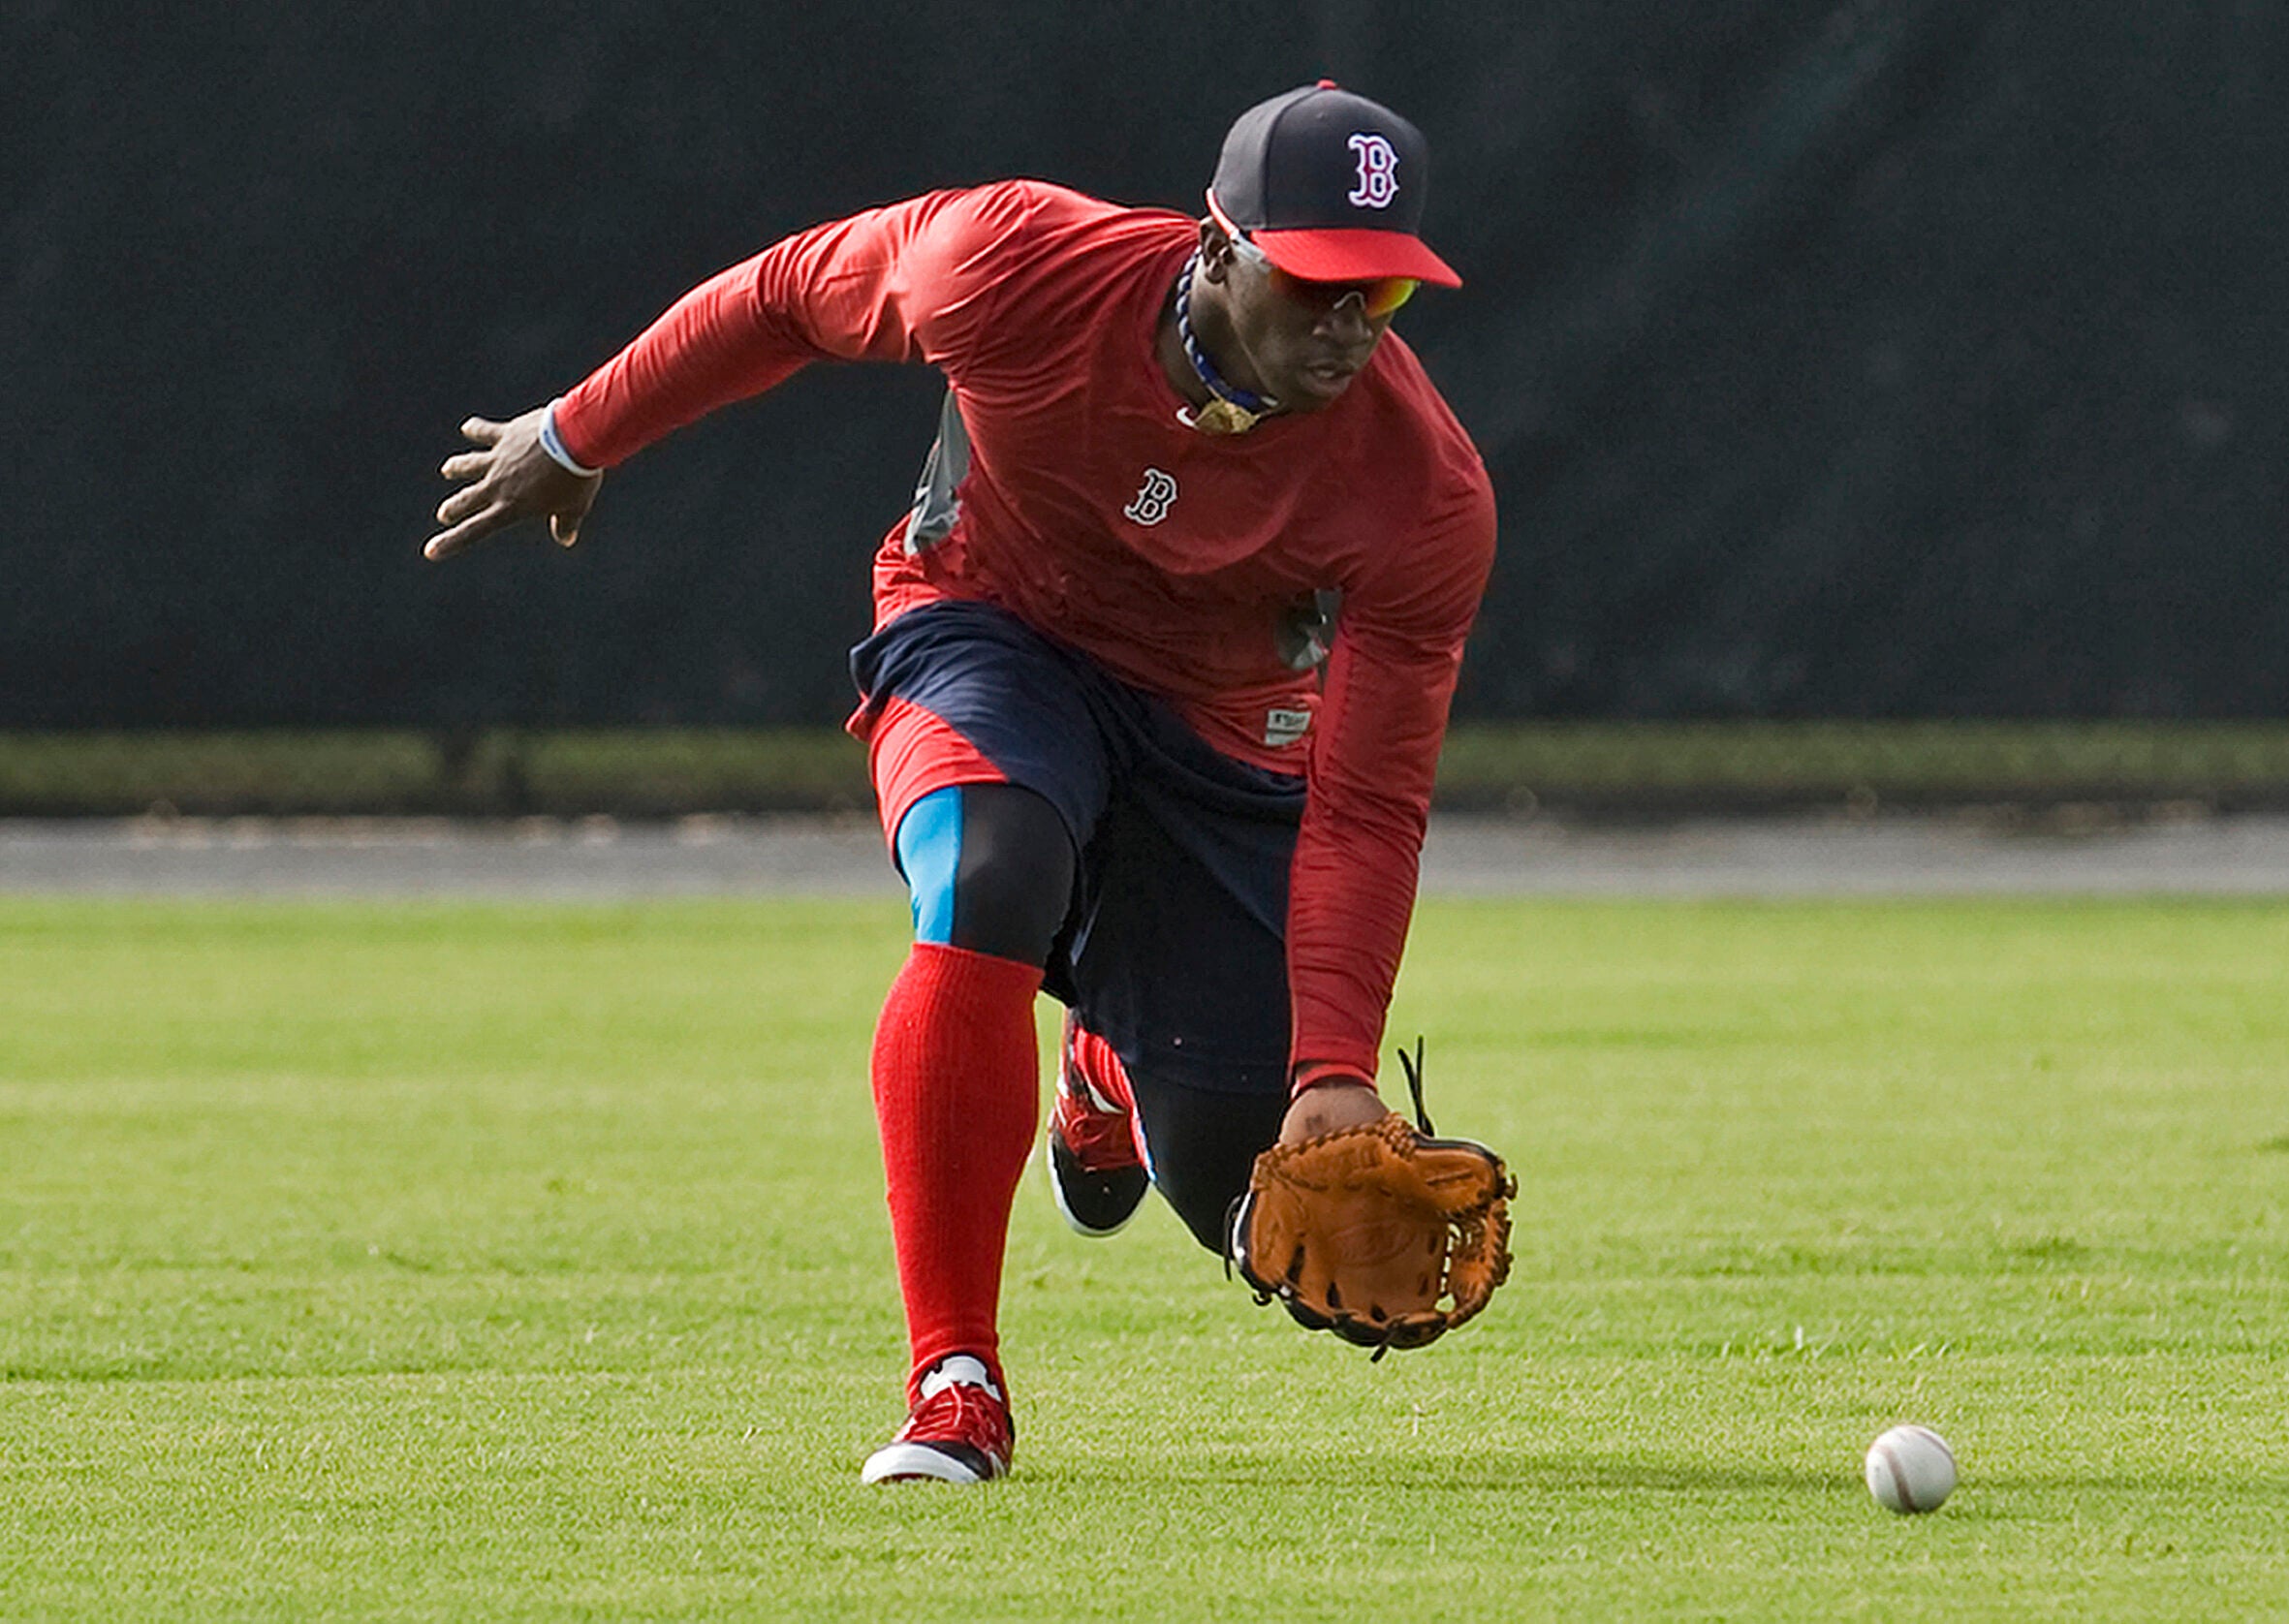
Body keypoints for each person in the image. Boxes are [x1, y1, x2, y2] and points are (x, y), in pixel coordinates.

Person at [425, 81, 1496, 1484]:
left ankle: (1106, 1060)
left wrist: (1335, 1071)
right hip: (990, 627)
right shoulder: (1015, 265)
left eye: (1385, 296)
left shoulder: (1423, 491)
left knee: (1270, 1220)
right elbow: (784, 296)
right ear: (1218, 246)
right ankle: (957, 1382)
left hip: (1225, 735)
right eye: (1316, 284)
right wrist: (575, 433)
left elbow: (1364, 807)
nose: (1349, 326)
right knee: (991, 872)